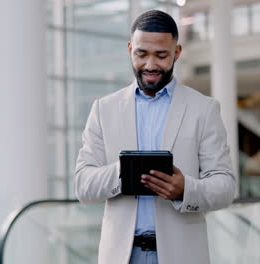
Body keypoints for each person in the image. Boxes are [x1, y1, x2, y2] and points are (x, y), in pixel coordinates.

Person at [75, 10, 236, 264]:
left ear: (177, 52)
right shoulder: (103, 109)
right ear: (130, 49)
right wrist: (125, 170)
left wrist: (186, 190)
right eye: (141, 54)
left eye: (161, 55)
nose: (150, 65)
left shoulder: (203, 109)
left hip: (181, 256)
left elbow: (225, 186)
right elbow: (83, 185)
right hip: (122, 256)